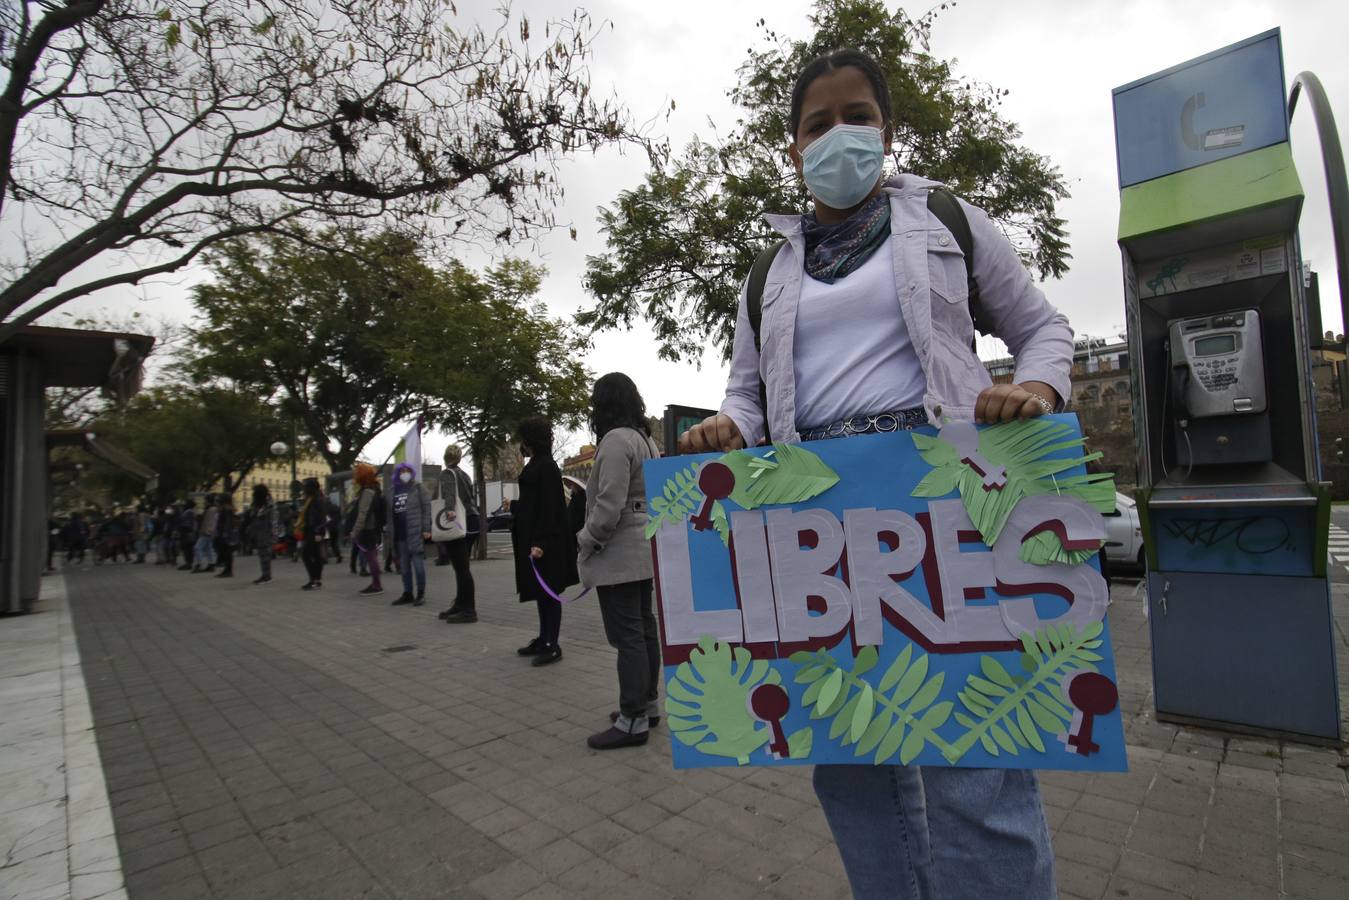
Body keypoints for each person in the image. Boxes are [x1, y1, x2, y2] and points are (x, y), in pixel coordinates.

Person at [678, 49, 1072, 900]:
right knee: (851, 761)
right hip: (818, 531)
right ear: (792, 149)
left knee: (976, 756)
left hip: (946, 514)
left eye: (856, 115)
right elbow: (746, 397)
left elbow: (1043, 330)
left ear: (886, 130)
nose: (838, 135)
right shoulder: (767, 272)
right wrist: (728, 427)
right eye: (816, 124)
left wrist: (1035, 387)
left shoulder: (946, 220)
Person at [577, 374, 663, 750]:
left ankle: (632, 720)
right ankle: (647, 705)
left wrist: (587, 540)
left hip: (619, 553)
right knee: (644, 629)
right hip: (646, 547)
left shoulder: (614, 442)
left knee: (627, 635)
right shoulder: (647, 441)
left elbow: (608, 505)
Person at [511, 416, 577, 666]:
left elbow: (550, 507)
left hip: (545, 544)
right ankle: (544, 637)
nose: (522, 443)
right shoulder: (538, 463)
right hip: (534, 539)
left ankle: (552, 644)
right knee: (542, 592)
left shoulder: (547, 466)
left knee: (549, 592)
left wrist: (540, 542)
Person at [438, 444, 480, 624]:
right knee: (463, 567)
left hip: (458, 522)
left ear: (445, 457)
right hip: (472, 520)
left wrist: (448, 511)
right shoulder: (464, 474)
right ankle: (460, 604)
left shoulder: (448, 474)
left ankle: (468, 609)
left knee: (461, 568)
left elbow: (449, 496)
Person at [388, 462, 432, 607]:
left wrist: (426, 528)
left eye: (407, 471)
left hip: (415, 533)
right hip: (400, 535)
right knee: (405, 568)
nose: (404, 473)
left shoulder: (418, 487)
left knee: (418, 566)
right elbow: (390, 514)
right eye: (402, 471)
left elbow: (427, 509)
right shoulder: (393, 490)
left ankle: (420, 593)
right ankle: (407, 593)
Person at [346, 463, 385, 595]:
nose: (355, 476)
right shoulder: (372, 489)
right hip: (371, 528)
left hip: (368, 530)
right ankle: (376, 583)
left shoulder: (367, 492)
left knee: (371, 557)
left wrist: (355, 531)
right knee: (372, 556)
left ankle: (376, 585)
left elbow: (363, 513)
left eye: (357, 473)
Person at [295, 478, 327, 590]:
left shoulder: (317, 500)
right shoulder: (310, 499)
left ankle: (314, 580)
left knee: (307, 554)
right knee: (315, 555)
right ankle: (316, 580)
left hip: (315, 531)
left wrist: (318, 532)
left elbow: (321, 518)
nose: (304, 489)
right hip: (310, 530)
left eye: (305, 487)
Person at [248, 485, 279, 585]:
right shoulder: (256, 505)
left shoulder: (269, 505)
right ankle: (264, 574)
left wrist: (274, 535)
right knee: (262, 554)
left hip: (266, 532)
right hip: (258, 532)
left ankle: (267, 576)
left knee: (265, 555)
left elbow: (273, 520)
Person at [213, 495, 238, 578]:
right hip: (226, 533)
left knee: (226, 552)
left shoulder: (226, 510)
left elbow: (227, 522)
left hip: (224, 533)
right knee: (227, 552)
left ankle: (228, 570)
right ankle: (227, 570)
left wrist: (225, 532)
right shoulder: (229, 509)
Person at [193, 496, 218, 573]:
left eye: (206, 501)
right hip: (209, 531)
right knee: (208, 548)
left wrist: (208, 531)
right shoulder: (212, 509)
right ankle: (211, 564)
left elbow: (211, 522)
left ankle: (199, 564)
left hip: (207, 532)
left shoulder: (211, 510)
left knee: (197, 547)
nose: (204, 502)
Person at [176, 501, 197, 571]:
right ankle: (189, 562)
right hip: (189, 532)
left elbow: (186, 523)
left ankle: (188, 563)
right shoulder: (191, 512)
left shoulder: (188, 513)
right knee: (188, 548)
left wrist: (180, 528)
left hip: (186, 532)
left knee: (187, 548)